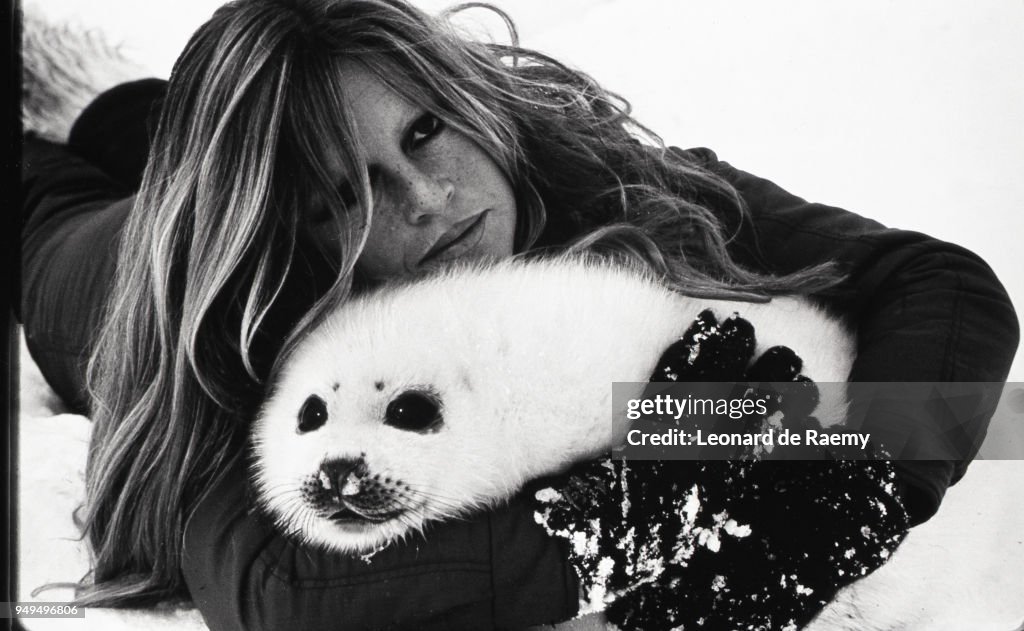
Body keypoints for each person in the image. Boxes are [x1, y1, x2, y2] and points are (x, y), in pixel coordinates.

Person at [19, 0, 1018, 629]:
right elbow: (279, 589)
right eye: (343, 194)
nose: (424, 199)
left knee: (155, 124)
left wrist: (869, 476)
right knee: (45, 201)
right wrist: (628, 515)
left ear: (464, 104)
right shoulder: (238, 315)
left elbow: (934, 281)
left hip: (213, 167)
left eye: (424, 133)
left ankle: (100, 93)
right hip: (89, 266)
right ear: (290, 232)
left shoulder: (579, 172)